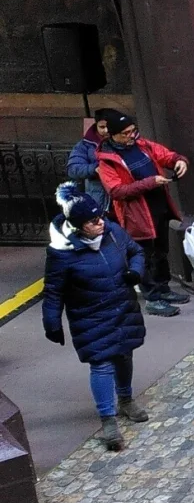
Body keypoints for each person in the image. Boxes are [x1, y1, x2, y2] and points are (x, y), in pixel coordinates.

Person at [42, 184, 148, 452]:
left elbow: (136, 251)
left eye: (100, 216)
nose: (101, 222)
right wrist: (51, 323)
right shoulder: (62, 254)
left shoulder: (112, 232)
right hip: (90, 316)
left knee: (124, 354)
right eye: (93, 220)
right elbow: (53, 291)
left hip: (121, 307)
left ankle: (126, 400)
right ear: (78, 226)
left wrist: (135, 272)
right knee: (101, 364)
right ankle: (108, 420)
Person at [95, 110, 190, 317]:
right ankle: (153, 298)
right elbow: (117, 191)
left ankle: (163, 288)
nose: (131, 136)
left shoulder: (142, 145)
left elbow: (165, 155)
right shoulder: (107, 161)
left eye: (133, 131)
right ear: (112, 135)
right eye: (125, 133)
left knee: (161, 250)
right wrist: (150, 182)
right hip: (136, 215)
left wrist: (179, 160)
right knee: (143, 257)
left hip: (159, 207)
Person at [66, 108, 117, 211]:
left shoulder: (125, 140)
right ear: (96, 125)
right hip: (99, 199)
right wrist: (95, 169)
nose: (106, 131)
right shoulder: (85, 145)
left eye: (109, 126)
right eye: (102, 127)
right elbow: (73, 168)